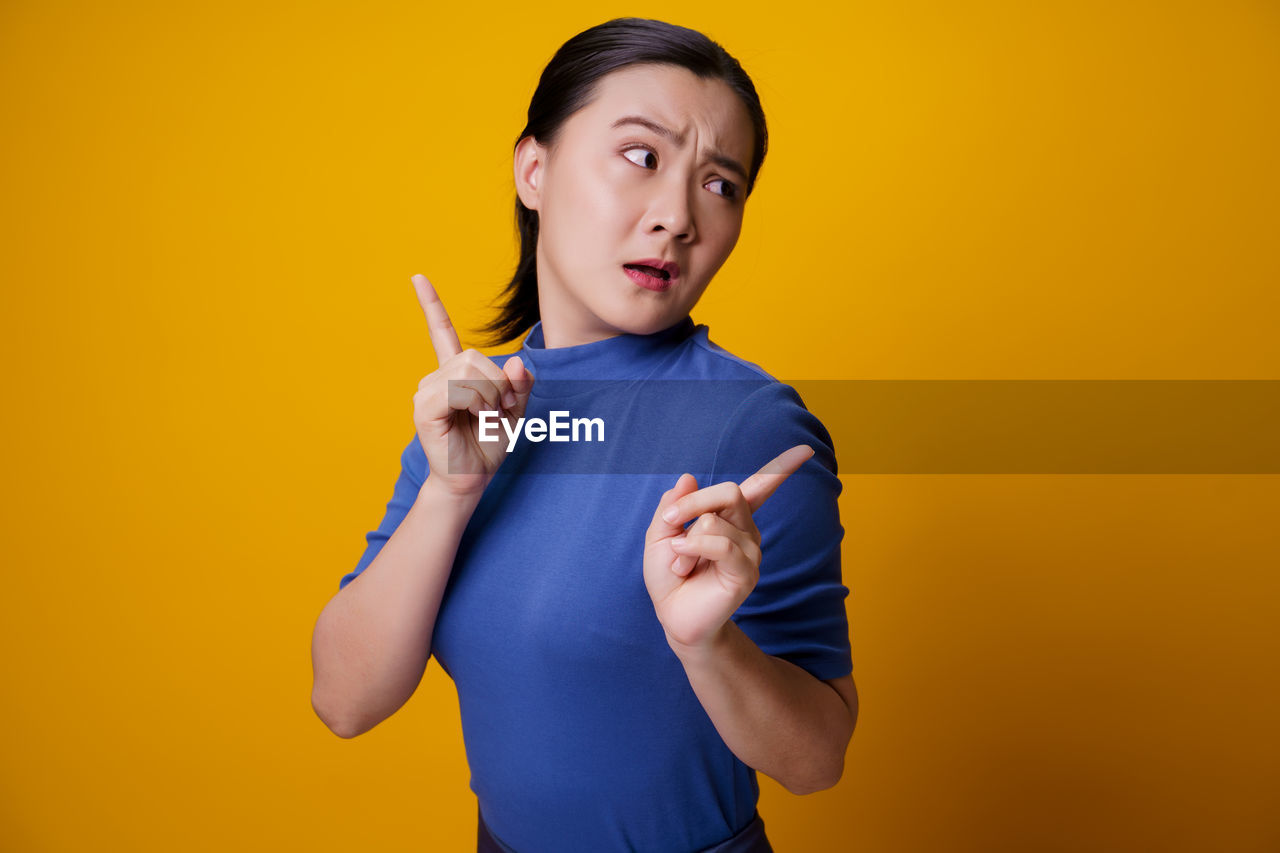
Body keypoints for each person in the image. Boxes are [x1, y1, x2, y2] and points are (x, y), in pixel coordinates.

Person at [310, 17, 858, 853]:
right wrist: (450, 491)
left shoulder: (751, 426)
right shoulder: (474, 409)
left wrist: (706, 644)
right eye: (643, 156)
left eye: (720, 184)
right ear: (535, 168)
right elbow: (343, 700)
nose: (676, 216)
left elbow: (818, 758)